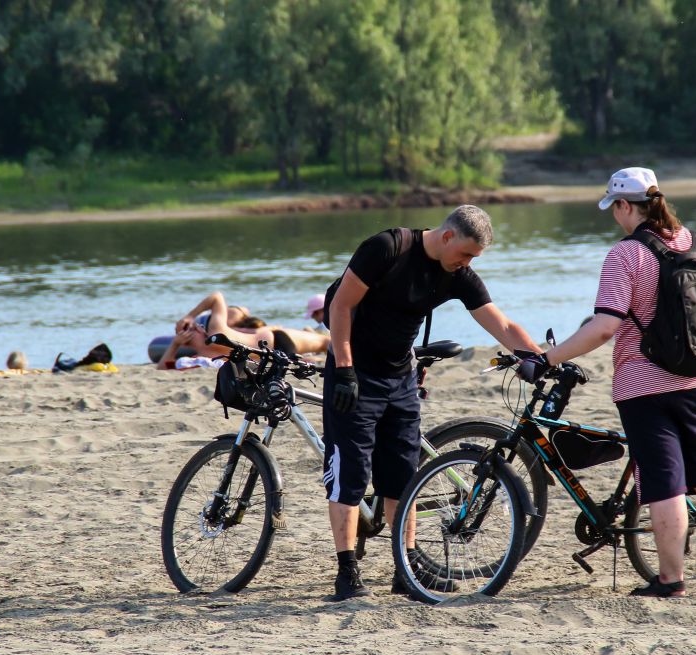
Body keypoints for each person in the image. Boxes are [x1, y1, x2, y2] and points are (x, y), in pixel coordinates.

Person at [517, 167, 696, 598]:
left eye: (614, 209)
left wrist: (549, 357)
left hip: (646, 386)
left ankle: (670, 579)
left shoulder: (626, 255)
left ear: (625, 206)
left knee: (663, 481)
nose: (614, 218)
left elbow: (604, 327)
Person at [323, 205, 541, 602]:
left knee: (403, 477)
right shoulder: (387, 248)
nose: (467, 263)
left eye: (474, 258)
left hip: (400, 378)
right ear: (447, 236)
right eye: (466, 253)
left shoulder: (456, 273)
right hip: (355, 373)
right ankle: (347, 572)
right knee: (350, 476)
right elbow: (339, 306)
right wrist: (345, 369)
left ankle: (404, 569)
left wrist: (538, 358)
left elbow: (502, 325)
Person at [155, 291, 329, 369]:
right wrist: (176, 343)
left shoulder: (214, 337)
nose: (199, 327)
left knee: (326, 343)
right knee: (323, 345)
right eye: (194, 327)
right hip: (274, 349)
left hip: (277, 340)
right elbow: (164, 367)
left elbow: (217, 297)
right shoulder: (203, 353)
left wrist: (189, 317)